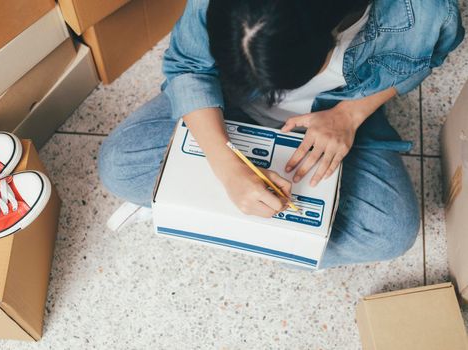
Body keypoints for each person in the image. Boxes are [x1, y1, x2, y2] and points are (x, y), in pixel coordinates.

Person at [98, 0, 465, 268]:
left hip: (336, 114)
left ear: (330, 33)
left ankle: (202, 210)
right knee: (119, 164)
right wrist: (226, 166)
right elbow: (189, 65)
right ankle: (275, 234)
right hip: (227, 105)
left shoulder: (423, 10)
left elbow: (429, 56)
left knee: (391, 233)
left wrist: (349, 115)